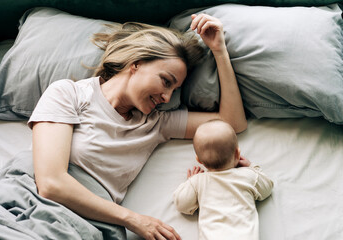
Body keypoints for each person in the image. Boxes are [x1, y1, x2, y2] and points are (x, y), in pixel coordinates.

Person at [28, 14, 247, 240]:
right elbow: (51, 184)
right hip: (32, 211)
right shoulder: (69, 94)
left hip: (88, 226)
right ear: (136, 64)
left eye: (174, 90)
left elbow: (232, 123)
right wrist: (135, 220)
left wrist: (220, 51)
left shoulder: (156, 123)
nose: (167, 97)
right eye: (166, 81)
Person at [173, 120, 274, 240]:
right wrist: (252, 167)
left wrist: (190, 183)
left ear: (199, 160)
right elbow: (267, 187)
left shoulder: (199, 181)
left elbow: (181, 204)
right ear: (237, 153)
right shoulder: (248, 176)